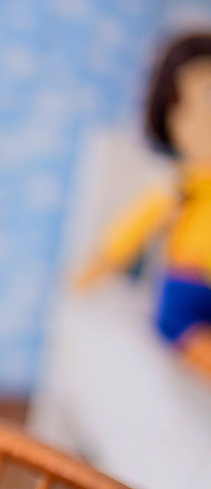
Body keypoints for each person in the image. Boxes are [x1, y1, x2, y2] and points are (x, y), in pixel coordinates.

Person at [75, 32, 211, 382]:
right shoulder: (178, 190)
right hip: (186, 288)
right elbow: (131, 231)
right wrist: (96, 268)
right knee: (181, 325)